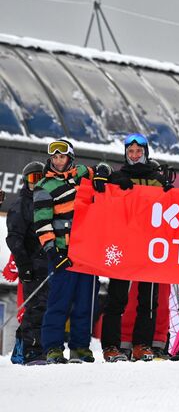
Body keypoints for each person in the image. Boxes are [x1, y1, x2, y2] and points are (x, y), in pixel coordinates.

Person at [33, 139, 113, 364]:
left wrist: (101, 173)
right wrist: (53, 253)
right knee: (59, 302)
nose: (58, 161)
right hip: (64, 254)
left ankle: (80, 347)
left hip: (87, 251)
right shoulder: (43, 187)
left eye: (62, 157)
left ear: (70, 158)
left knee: (85, 303)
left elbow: (102, 169)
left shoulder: (80, 173)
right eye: (55, 157)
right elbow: (42, 223)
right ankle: (53, 348)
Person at [100, 133, 170, 362]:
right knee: (117, 298)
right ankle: (111, 346)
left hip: (149, 247)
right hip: (124, 245)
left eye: (138, 151)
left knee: (148, 300)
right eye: (130, 152)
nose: (134, 155)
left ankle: (142, 345)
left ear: (145, 153)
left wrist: (170, 191)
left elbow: (171, 209)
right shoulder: (119, 176)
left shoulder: (157, 180)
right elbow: (96, 189)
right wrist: (106, 178)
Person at [6, 161, 48, 364]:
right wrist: (24, 265)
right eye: (33, 179)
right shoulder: (21, 204)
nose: (37, 183)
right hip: (32, 264)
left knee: (45, 306)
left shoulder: (48, 201)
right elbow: (14, 238)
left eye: (41, 178)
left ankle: (24, 348)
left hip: (46, 263)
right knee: (35, 307)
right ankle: (30, 349)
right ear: (25, 182)